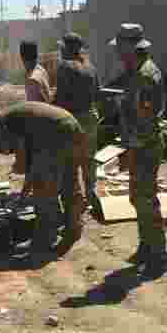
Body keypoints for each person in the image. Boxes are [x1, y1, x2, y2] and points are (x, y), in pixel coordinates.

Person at [0, 102, 88, 260]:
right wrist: (23, 196)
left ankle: (42, 243)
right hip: (72, 127)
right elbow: (33, 169)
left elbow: (25, 165)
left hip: (53, 135)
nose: (5, 152)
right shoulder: (19, 122)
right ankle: (73, 229)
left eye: (1, 149)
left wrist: (18, 166)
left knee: (44, 195)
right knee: (69, 183)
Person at [110, 23, 167, 279]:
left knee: (146, 198)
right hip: (139, 143)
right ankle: (147, 247)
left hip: (144, 145)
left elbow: (145, 117)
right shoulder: (136, 71)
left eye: (120, 49)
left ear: (130, 48)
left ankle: (158, 255)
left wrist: (133, 145)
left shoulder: (145, 75)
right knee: (138, 197)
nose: (117, 54)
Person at [54, 32, 101, 209]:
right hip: (90, 118)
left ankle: (73, 203)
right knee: (89, 161)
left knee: (70, 163)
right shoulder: (90, 67)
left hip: (72, 120)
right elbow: (97, 94)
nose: (60, 51)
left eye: (62, 48)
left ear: (67, 48)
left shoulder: (65, 67)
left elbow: (60, 99)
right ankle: (90, 196)